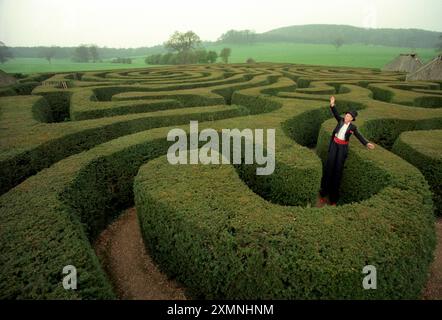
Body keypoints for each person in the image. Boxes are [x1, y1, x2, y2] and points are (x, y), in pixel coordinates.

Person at [319, 96, 375, 206]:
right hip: (334, 145)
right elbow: (335, 113)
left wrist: (366, 143)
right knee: (329, 168)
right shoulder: (340, 120)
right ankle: (323, 193)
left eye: (348, 116)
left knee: (337, 172)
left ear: (352, 119)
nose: (346, 116)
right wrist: (332, 104)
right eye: (346, 115)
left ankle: (333, 199)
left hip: (342, 149)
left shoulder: (352, 128)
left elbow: (359, 135)